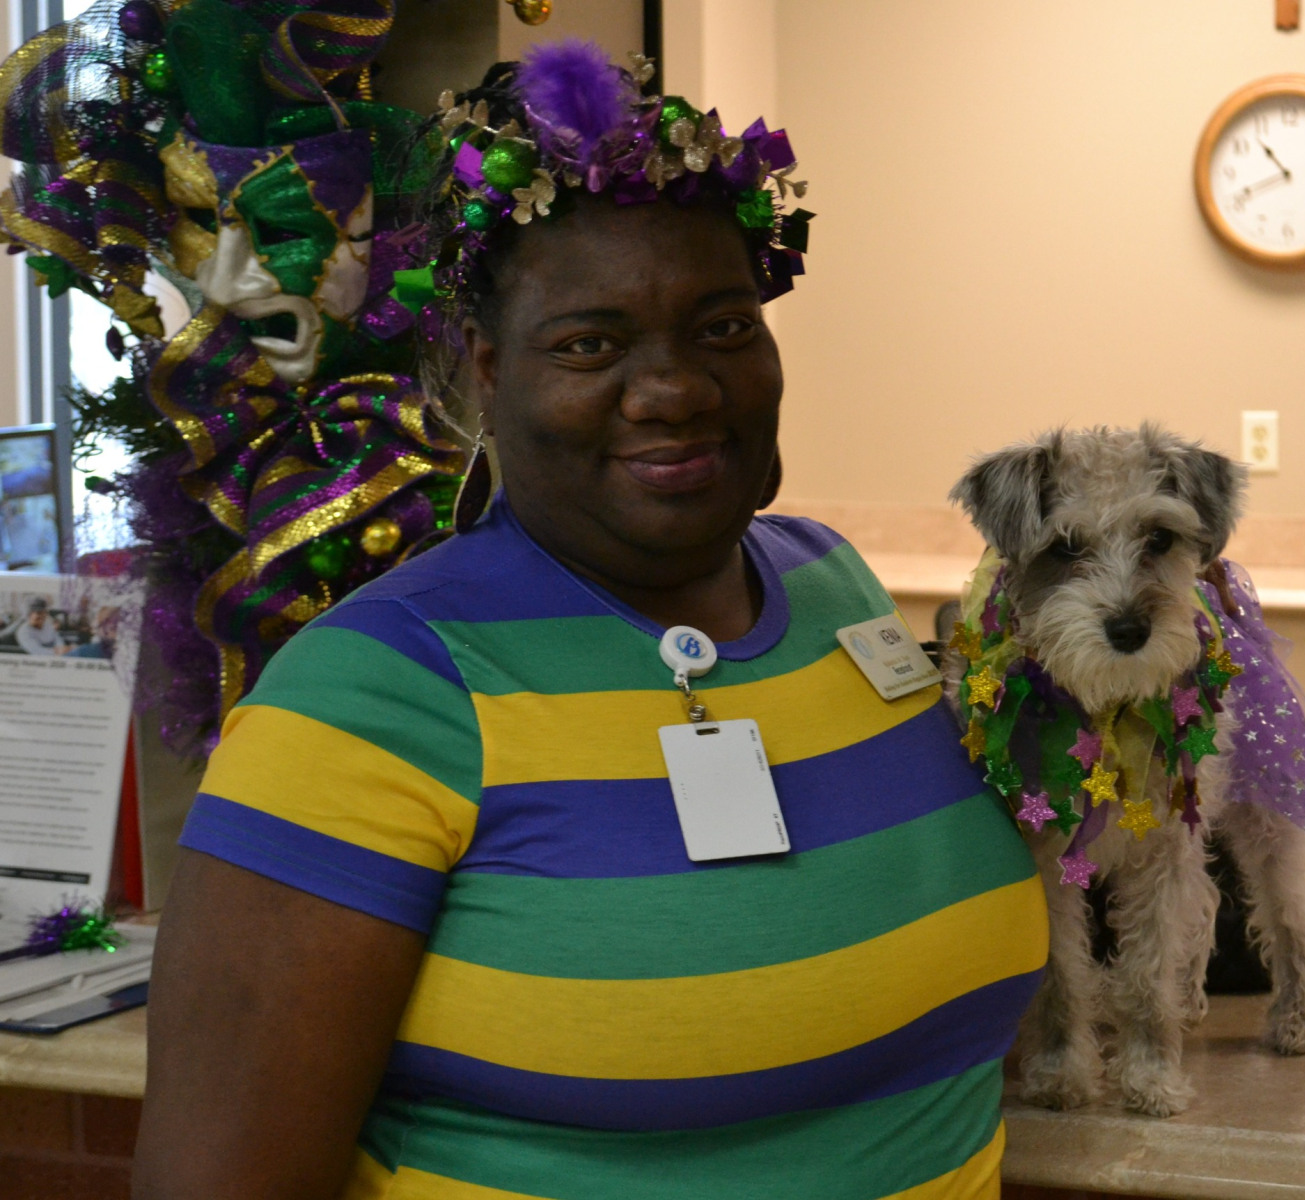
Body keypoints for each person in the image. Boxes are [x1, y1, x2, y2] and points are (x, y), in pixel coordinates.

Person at [135, 44, 1048, 1200]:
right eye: (588, 344)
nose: (674, 389)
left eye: (723, 327)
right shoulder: (367, 699)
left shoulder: (834, 586)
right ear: (487, 371)